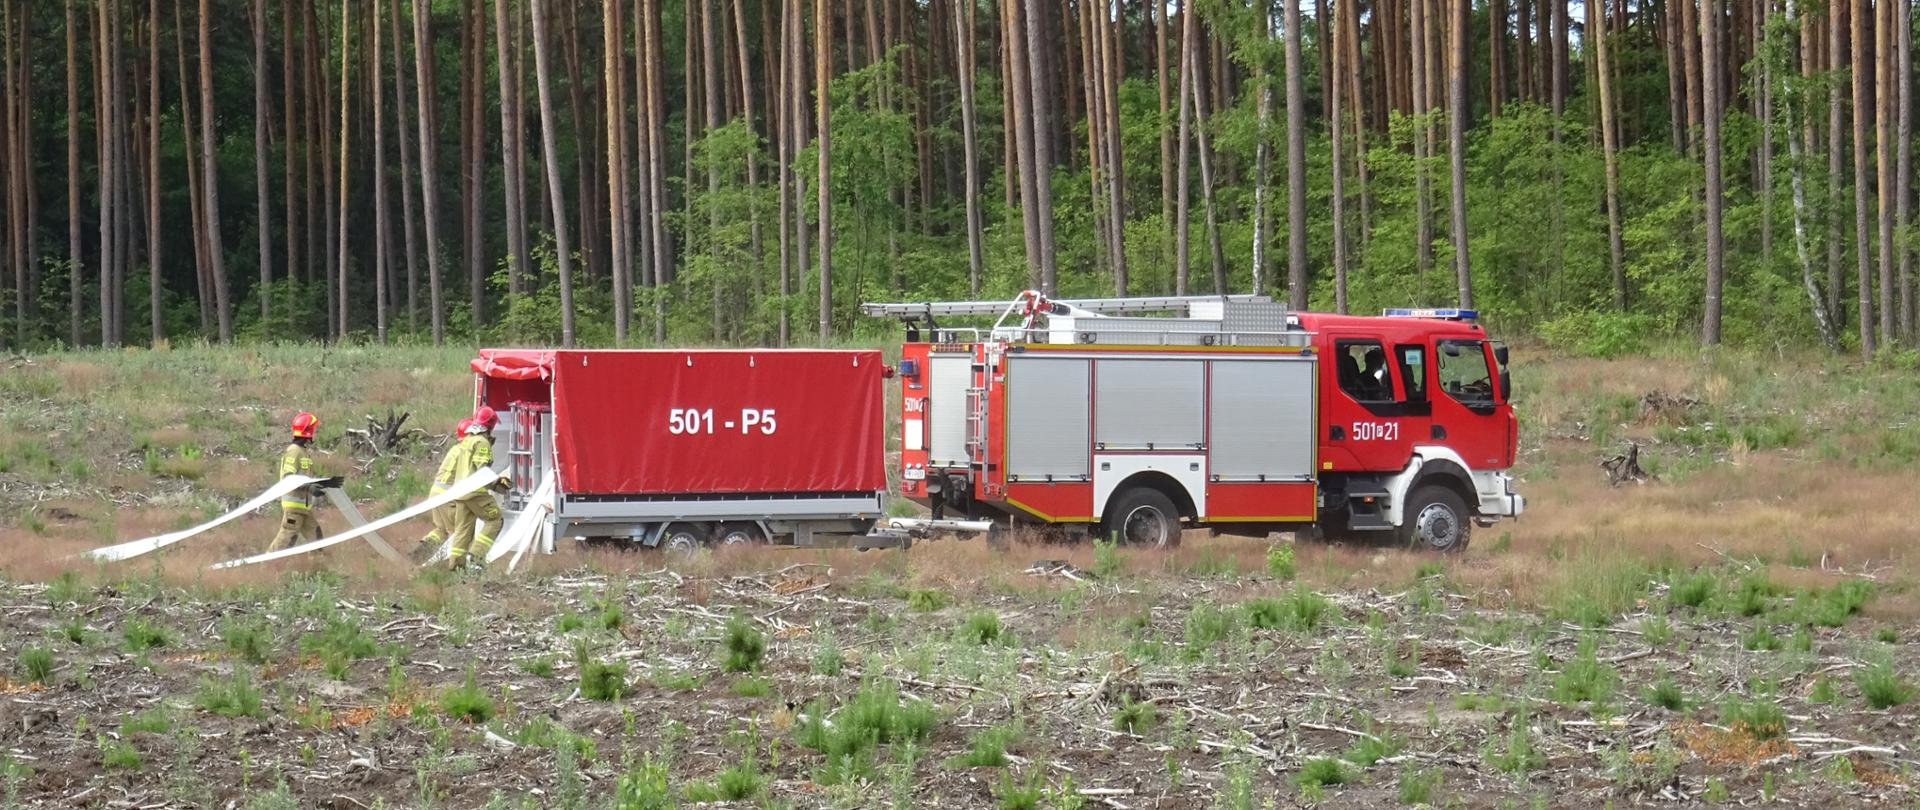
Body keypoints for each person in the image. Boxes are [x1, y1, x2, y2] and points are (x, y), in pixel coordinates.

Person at [445, 407, 506, 571]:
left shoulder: (467, 440)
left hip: (460, 492)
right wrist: (498, 484)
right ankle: (477, 554)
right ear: (491, 424)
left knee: (462, 530)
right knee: (495, 520)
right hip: (475, 492)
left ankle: (456, 567)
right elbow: (482, 471)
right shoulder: (482, 442)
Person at [415, 416, 473, 561]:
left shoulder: (455, 449)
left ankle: (420, 552)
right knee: (457, 532)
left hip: (436, 493)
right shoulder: (467, 452)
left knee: (441, 530)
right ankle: (449, 563)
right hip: (447, 496)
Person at [267, 412, 326, 551]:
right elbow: (288, 477)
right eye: (313, 429)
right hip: (294, 507)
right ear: (308, 431)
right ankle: (268, 563)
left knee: (316, 538)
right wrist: (309, 488)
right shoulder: (294, 451)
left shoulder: (303, 452)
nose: (315, 433)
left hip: (303, 508)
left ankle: (318, 563)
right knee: (286, 539)